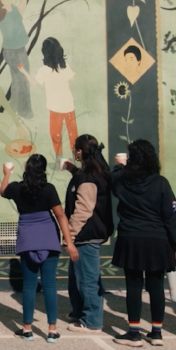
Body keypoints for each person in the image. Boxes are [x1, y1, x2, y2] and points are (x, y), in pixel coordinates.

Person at [0, 154, 79, 343]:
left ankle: (27, 329)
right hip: (48, 237)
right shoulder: (49, 189)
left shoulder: (17, 188)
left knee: (28, 286)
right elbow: (60, 216)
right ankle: (52, 330)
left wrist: (6, 173)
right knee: (50, 286)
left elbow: (3, 191)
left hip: (28, 238)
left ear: (26, 168)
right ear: (43, 169)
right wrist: (69, 242)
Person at [110, 140, 176, 348]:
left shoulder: (122, 180)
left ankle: (133, 332)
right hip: (157, 239)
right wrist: (174, 245)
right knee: (156, 285)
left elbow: (112, 177)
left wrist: (120, 165)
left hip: (131, 237)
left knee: (133, 285)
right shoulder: (160, 182)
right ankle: (156, 332)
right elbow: (171, 216)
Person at [63, 134, 113, 333]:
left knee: (87, 278)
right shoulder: (92, 173)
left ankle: (92, 321)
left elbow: (84, 209)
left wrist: (70, 236)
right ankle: (79, 311)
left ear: (80, 152)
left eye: (75, 149)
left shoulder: (89, 177)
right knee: (78, 276)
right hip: (88, 234)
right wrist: (72, 169)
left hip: (86, 234)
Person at [22, 37, 78, 160]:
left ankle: (60, 162)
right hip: (69, 104)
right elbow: (72, 78)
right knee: (73, 134)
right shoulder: (64, 66)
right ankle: (78, 160)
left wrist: (24, 72)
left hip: (55, 107)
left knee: (56, 135)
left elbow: (34, 83)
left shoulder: (44, 70)